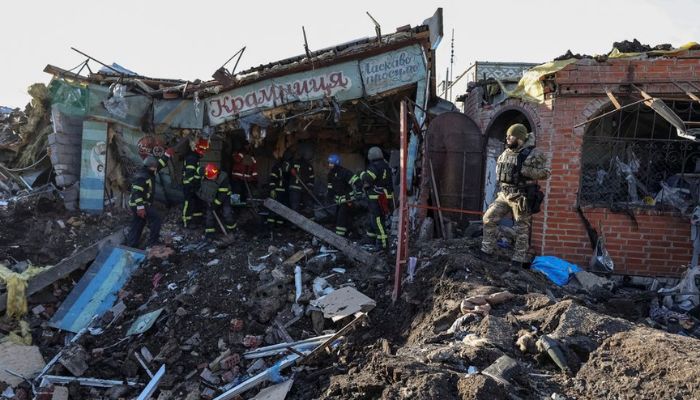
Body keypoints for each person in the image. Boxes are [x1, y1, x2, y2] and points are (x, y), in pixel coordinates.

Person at [480, 123, 551, 269]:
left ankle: (518, 260)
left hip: (520, 195)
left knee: (521, 229)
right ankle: (487, 251)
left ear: (519, 138)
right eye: (507, 136)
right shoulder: (506, 152)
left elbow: (546, 172)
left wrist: (525, 171)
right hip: (504, 194)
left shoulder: (533, 153)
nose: (507, 138)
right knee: (488, 218)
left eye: (510, 136)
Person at [126, 149, 173, 248]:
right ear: (149, 167)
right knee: (156, 219)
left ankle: (132, 245)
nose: (156, 169)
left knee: (138, 223)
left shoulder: (149, 171)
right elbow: (137, 192)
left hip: (139, 204)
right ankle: (153, 243)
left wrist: (166, 155)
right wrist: (140, 208)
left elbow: (159, 165)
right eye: (154, 167)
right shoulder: (142, 177)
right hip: (140, 204)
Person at [361, 146, 394, 249]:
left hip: (376, 199)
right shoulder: (386, 165)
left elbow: (368, 178)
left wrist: (361, 174)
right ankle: (370, 239)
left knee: (378, 220)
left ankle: (382, 243)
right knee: (373, 219)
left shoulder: (374, 167)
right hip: (385, 198)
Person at [198, 163, 237, 237]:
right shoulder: (204, 171)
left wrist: (215, 204)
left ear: (217, 172)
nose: (212, 178)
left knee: (227, 212)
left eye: (213, 177)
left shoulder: (223, 177)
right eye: (210, 177)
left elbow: (222, 195)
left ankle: (232, 229)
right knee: (209, 213)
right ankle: (210, 232)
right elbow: (196, 171)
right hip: (211, 195)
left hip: (224, 195)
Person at [181, 138, 209, 228]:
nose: (204, 152)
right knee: (188, 203)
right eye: (203, 150)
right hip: (189, 185)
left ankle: (197, 220)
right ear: (198, 148)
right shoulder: (192, 158)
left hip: (194, 184)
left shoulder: (195, 157)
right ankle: (186, 222)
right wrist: (195, 185)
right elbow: (189, 175)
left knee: (197, 202)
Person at [326, 154, 355, 237]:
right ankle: (351, 233)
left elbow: (356, 181)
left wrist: (359, 192)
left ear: (336, 163)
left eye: (331, 163)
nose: (329, 165)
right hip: (339, 201)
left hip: (347, 200)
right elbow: (330, 187)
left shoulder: (345, 172)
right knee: (346, 218)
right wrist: (329, 197)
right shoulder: (330, 174)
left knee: (341, 218)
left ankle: (339, 237)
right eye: (329, 163)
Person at [267, 150, 292, 226]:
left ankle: (278, 225)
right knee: (274, 208)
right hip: (278, 191)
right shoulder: (277, 167)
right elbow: (272, 179)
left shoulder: (287, 167)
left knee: (281, 208)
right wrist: (272, 189)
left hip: (284, 192)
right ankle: (271, 225)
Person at [230, 140, 258, 205]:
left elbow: (254, 169)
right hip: (237, 178)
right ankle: (235, 207)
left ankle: (241, 208)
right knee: (236, 193)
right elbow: (236, 159)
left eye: (249, 145)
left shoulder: (252, 156)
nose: (248, 147)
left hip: (246, 180)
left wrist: (255, 179)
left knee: (243, 194)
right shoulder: (241, 153)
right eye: (247, 145)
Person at [289, 151, 315, 216]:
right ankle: (294, 223)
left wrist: (310, 189)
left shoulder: (309, 166)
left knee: (306, 207)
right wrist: (290, 169)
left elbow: (311, 179)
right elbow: (285, 168)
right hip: (295, 189)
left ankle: (305, 222)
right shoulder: (294, 163)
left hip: (304, 190)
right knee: (295, 207)